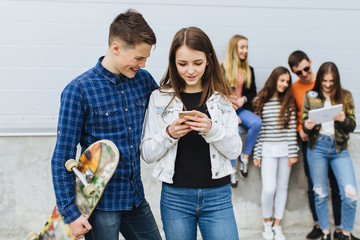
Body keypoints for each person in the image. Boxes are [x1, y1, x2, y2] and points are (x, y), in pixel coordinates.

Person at [51, 9, 161, 240]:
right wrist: (70, 214)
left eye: (146, 58)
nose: (143, 64)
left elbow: (168, 109)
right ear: (116, 48)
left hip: (135, 198)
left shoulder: (143, 81)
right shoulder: (78, 91)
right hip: (99, 205)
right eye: (138, 58)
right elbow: (62, 156)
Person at [140, 27, 241, 240]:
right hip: (175, 198)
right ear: (173, 62)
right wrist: (169, 134)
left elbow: (234, 151)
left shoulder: (222, 98)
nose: (190, 71)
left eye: (197, 63)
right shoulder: (159, 97)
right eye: (182, 64)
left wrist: (212, 129)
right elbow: (147, 154)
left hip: (218, 197)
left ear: (209, 60)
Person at [288, 50, 343, 240]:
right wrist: (299, 128)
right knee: (314, 186)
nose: (304, 74)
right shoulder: (294, 88)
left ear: (311, 62)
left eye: (306, 69)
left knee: (336, 185)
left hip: (331, 140)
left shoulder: (323, 83)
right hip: (309, 142)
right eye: (298, 72)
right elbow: (294, 112)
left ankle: (339, 228)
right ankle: (319, 225)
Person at [303, 62, 358, 240]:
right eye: (324, 80)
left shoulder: (346, 96)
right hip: (317, 147)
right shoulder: (310, 97)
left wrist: (343, 119)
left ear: (336, 80)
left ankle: (346, 233)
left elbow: (352, 125)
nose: (327, 84)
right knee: (320, 193)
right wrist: (307, 125)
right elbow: (305, 122)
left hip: (338, 148)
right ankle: (326, 233)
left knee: (350, 194)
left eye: (331, 81)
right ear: (319, 79)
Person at [252, 67, 298, 240]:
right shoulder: (261, 100)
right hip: (267, 150)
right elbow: (259, 130)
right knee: (269, 188)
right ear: (274, 80)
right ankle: (267, 223)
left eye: (287, 82)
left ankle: (277, 225)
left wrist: (293, 153)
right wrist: (257, 154)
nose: (284, 84)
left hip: (286, 150)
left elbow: (291, 129)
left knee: (282, 188)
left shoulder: (288, 102)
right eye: (282, 80)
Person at [222, 35, 262, 185]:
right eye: (242, 47)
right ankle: (232, 168)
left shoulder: (248, 70)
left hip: (241, 108)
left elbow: (252, 93)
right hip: (227, 111)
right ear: (234, 49)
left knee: (257, 123)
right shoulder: (222, 68)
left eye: (246, 47)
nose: (245, 50)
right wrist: (232, 115)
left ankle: (244, 157)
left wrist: (243, 99)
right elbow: (217, 93)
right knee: (235, 132)